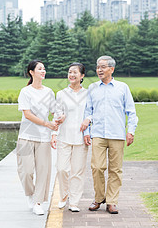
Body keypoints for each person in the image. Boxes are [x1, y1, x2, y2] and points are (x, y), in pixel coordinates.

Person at [83, 56, 138, 214]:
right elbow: (88, 112)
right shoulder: (92, 88)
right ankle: (99, 198)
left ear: (112, 69)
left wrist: (131, 131)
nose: (99, 70)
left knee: (115, 169)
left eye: (103, 67)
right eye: (98, 67)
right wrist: (87, 131)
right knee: (97, 167)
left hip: (117, 134)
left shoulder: (122, 87)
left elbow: (131, 112)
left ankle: (112, 201)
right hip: (98, 133)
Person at [16, 60, 61, 215]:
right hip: (26, 136)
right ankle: (30, 194)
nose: (43, 71)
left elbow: (55, 112)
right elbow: (27, 114)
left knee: (43, 170)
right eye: (40, 69)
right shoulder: (25, 92)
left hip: (43, 138)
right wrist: (46, 123)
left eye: (44, 69)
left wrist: (55, 129)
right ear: (31, 72)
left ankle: (38, 202)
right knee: (26, 171)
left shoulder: (48, 92)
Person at [51, 63, 90, 212]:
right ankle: (63, 195)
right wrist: (54, 133)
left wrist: (89, 120)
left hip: (81, 138)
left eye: (75, 72)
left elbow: (91, 112)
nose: (71, 75)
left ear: (82, 76)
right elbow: (57, 113)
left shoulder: (88, 94)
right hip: (64, 136)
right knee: (61, 169)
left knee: (77, 171)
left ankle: (74, 201)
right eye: (69, 72)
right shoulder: (61, 94)